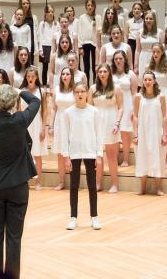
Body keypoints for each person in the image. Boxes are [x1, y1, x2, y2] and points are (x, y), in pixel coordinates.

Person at [0, 85, 40, 279]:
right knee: (14, 239)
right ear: (14, 102)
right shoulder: (20, 120)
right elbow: (36, 101)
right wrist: (20, 90)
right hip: (17, 186)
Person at [61, 83, 103, 230]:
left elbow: (99, 134)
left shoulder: (94, 111)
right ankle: (73, 217)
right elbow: (65, 135)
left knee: (92, 186)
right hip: (74, 153)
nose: (80, 94)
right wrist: (66, 156)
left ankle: (94, 217)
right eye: (77, 91)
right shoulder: (68, 112)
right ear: (74, 94)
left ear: (87, 93)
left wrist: (99, 155)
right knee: (74, 186)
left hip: (90, 152)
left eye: (83, 91)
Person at [88, 63, 123, 193]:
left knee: (112, 156)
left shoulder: (117, 88)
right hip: (96, 124)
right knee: (97, 157)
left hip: (111, 123)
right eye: (100, 72)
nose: (102, 74)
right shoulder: (92, 89)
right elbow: (88, 107)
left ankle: (115, 184)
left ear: (109, 73)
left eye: (104, 72)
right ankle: (97, 183)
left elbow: (121, 107)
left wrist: (117, 123)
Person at [133, 70, 167, 196]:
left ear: (154, 81)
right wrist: (135, 133)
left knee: (157, 157)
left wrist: (164, 134)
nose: (147, 82)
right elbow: (135, 116)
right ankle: (142, 188)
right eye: (145, 79)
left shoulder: (161, 96)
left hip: (156, 131)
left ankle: (159, 187)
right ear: (142, 81)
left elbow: (164, 116)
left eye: (150, 79)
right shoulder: (138, 97)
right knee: (142, 157)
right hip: (143, 131)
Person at [147, 43, 167, 167]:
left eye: (157, 52)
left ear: (162, 53)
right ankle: (155, 158)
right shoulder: (148, 67)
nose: (155, 54)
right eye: (153, 52)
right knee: (154, 129)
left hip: (165, 96)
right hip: (153, 97)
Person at [20, 67, 48, 190]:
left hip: (37, 124)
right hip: (24, 125)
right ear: (26, 78)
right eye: (28, 76)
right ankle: (24, 180)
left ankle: (39, 181)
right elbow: (18, 110)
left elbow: (45, 111)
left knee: (38, 154)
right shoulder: (21, 91)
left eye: (33, 76)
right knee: (24, 154)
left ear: (36, 77)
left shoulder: (42, 91)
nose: (30, 78)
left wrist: (44, 128)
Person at [49, 67, 75, 190]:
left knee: (73, 153)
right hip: (59, 123)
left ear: (71, 76)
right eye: (63, 74)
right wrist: (51, 126)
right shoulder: (57, 90)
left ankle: (74, 181)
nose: (65, 76)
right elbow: (53, 108)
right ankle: (61, 182)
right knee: (60, 154)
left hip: (73, 123)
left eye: (67, 74)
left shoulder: (76, 90)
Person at [77, 0, 101, 82]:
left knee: (96, 66)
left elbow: (99, 32)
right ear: (85, 7)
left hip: (95, 45)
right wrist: (80, 47)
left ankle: (95, 85)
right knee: (86, 67)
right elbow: (79, 32)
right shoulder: (82, 17)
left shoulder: (98, 17)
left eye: (91, 5)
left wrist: (99, 46)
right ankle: (86, 86)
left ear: (94, 6)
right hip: (85, 44)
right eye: (88, 5)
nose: (90, 7)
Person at [135, 10, 164, 77]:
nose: (148, 20)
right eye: (146, 18)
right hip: (143, 57)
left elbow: (162, 50)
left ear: (154, 20)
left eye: (151, 19)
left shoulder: (159, 32)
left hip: (155, 58)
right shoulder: (140, 32)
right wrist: (136, 66)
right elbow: (137, 50)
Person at [37, 5, 57, 86]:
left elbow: (57, 36)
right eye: (49, 12)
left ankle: (53, 84)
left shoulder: (56, 24)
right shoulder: (42, 23)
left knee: (54, 67)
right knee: (45, 68)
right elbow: (40, 37)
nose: (51, 13)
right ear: (45, 13)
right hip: (44, 46)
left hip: (53, 47)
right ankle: (44, 85)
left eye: (52, 12)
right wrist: (40, 49)